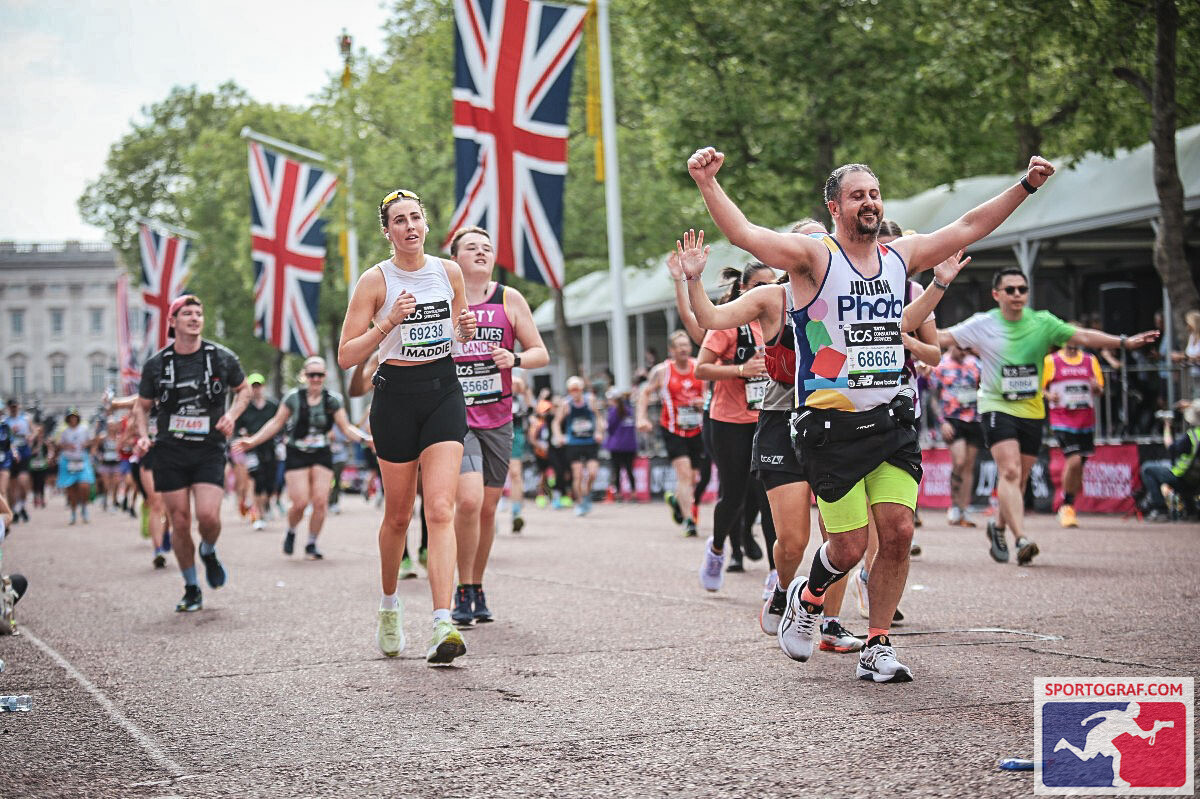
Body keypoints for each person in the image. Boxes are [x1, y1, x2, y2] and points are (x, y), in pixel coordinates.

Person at [688, 144, 1036, 681]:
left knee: (896, 533)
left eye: (874, 194)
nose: (869, 203)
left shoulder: (901, 257)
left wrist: (1025, 185)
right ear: (834, 206)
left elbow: (969, 224)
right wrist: (709, 183)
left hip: (893, 418)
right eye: (857, 196)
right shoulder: (812, 259)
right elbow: (746, 235)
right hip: (829, 426)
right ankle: (807, 597)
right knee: (847, 547)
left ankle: (878, 644)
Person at [336, 187, 476, 665]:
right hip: (393, 397)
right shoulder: (375, 281)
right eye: (399, 220)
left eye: (416, 217)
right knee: (398, 516)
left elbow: (457, 327)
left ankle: (442, 622)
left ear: (426, 224)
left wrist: (465, 330)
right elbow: (346, 354)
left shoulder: (448, 271)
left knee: (439, 508)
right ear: (387, 231)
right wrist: (386, 324)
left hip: (443, 391)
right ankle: (390, 606)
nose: (410, 226)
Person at [941, 268, 1158, 566]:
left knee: (1020, 479)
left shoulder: (1042, 322)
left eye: (1022, 289)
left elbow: (1082, 335)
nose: (1018, 295)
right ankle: (1022, 539)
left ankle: (999, 527)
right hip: (996, 405)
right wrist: (906, 335)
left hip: (1032, 409)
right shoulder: (984, 323)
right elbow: (941, 337)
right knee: (1010, 472)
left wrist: (1124, 342)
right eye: (1011, 289)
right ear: (996, 294)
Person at [447, 225, 549, 624]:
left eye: (487, 247)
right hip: (455, 418)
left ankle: (476, 586)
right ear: (455, 257)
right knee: (468, 501)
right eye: (471, 247)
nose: (481, 252)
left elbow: (541, 352)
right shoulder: (445, 299)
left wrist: (515, 359)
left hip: (498, 418)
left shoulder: (509, 298)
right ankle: (458, 589)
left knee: (488, 509)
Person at [132, 295, 250, 612]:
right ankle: (191, 586)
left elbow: (244, 390)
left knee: (209, 516)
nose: (195, 318)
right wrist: (143, 436)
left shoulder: (221, 357)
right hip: (170, 451)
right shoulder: (156, 365)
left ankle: (208, 550)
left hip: (209, 449)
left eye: (199, 313)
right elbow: (141, 407)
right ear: (173, 321)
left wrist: (232, 415)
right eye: (187, 313)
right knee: (180, 521)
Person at [234, 356, 369, 561]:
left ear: (324, 376)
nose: (315, 379)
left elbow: (346, 427)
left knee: (321, 501)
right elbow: (276, 423)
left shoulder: (332, 400)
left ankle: (312, 542)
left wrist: (366, 439)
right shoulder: (293, 398)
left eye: (320, 375)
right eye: (311, 375)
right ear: (304, 376)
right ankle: (291, 530)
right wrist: (252, 441)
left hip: (322, 451)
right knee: (299, 502)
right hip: (297, 452)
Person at [693, 261, 777, 580]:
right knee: (735, 494)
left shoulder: (780, 321)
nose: (767, 292)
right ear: (743, 289)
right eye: (759, 287)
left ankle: (776, 574)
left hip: (769, 418)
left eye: (773, 285)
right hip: (729, 421)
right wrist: (742, 370)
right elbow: (701, 368)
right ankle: (716, 550)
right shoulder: (729, 322)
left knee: (771, 495)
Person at [637, 330, 707, 537]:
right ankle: (689, 521)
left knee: (694, 477)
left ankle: (677, 500)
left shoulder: (699, 366)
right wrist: (642, 418)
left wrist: (704, 403)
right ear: (671, 350)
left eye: (686, 345)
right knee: (684, 474)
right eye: (679, 346)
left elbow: (710, 393)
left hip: (697, 429)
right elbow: (645, 393)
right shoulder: (662, 371)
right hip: (672, 429)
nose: (684, 349)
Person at [1042, 333, 1104, 528]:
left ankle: (1069, 502)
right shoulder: (1051, 361)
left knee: (1079, 466)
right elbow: (1039, 387)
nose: (1073, 341)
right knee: (1074, 459)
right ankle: (1066, 506)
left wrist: (1096, 388)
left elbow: (1100, 388)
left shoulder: (1089, 360)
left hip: (1085, 419)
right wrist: (1048, 395)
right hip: (1062, 419)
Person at [933, 342, 983, 526]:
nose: (962, 353)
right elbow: (932, 396)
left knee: (969, 466)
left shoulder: (976, 364)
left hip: (974, 419)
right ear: (951, 346)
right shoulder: (940, 364)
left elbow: (983, 386)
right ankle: (954, 505)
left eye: (965, 349)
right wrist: (942, 421)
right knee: (959, 461)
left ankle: (964, 508)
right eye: (959, 349)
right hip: (952, 419)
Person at [552, 377, 605, 516]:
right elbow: (556, 422)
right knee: (578, 475)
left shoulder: (590, 400)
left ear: (581, 389)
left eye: (576, 389)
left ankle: (586, 493)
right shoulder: (566, 404)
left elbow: (599, 417)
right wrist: (559, 436)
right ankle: (581, 502)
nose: (574, 393)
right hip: (574, 443)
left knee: (593, 473)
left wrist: (599, 432)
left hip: (590, 442)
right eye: (571, 390)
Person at [1140, 400, 1200, 520]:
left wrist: (1167, 426)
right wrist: (1190, 405)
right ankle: (1191, 509)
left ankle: (1160, 509)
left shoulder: (1192, 436)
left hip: (1185, 480)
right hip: (1196, 480)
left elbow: (1171, 448)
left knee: (1147, 469)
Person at [235, 374, 279, 531]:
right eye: (253, 386)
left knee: (270, 483)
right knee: (256, 479)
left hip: (270, 447)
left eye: (258, 385)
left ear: (263, 387)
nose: (256, 389)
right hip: (251, 448)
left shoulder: (273, 406)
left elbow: (281, 424)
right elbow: (236, 429)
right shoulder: (245, 408)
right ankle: (258, 515)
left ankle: (265, 504)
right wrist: (240, 437)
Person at [55, 409, 96, 525]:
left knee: (84, 486)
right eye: (71, 417)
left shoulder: (84, 430)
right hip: (68, 462)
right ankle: (73, 513)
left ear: (78, 418)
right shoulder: (64, 432)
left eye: (75, 417)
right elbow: (59, 444)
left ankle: (84, 507)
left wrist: (86, 445)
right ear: (68, 419)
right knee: (71, 489)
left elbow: (91, 442)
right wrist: (66, 446)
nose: (73, 419)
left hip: (82, 460)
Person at [508, 374, 535, 533]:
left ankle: (516, 512)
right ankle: (489, 514)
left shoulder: (519, 399)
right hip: (492, 430)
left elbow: (531, 410)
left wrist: (525, 390)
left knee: (516, 473)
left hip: (515, 433)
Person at [604, 389, 638, 502]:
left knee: (617, 470)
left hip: (616, 445)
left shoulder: (613, 411)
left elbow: (609, 428)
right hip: (629, 445)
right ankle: (633, 493)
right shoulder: (630, 410)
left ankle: (618, 494)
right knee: (629, 470)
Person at [4, 399, 35, 525]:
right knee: (12, 486)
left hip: (24, 453)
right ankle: (15, 510)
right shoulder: (5, 421)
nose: (14, 409)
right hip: (9, 455)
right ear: (8, 408)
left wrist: (30, 437)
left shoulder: (26, 418)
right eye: (12, 407)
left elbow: (34, 431)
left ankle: (21, 506)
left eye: (16, 406)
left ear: (19, 406)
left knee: (23, 482)